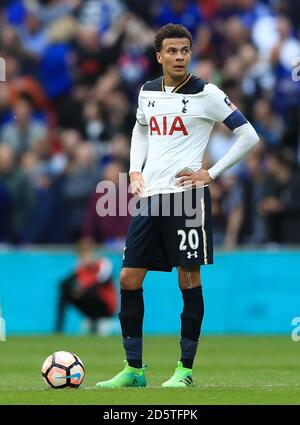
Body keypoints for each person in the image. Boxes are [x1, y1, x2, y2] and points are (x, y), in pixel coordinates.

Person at [96, 23, 259, 388]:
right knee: (128, 277)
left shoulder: (207, 93)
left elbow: (249, 135)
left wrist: (211, 173)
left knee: (188, 279)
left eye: (184, 50)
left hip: (186, 197)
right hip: (150, 196)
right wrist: (134, 171)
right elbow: (140, 129)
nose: (180, 56)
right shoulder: (147, 92)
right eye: (172, 51)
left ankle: (184, 370)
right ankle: (133, 369)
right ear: (159, 56)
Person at [56, 238, 118, 334]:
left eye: (87, 253)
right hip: (89, 305)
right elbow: (63, 283)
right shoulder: (80, 268)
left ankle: (96, 322)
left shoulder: (104, 264)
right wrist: (75, 291)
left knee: (91, 291)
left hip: (106, 307)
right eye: (82, 254)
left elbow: (101, 282)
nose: (85, 257)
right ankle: (58, 330)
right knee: (64, 291)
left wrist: (80, 290)